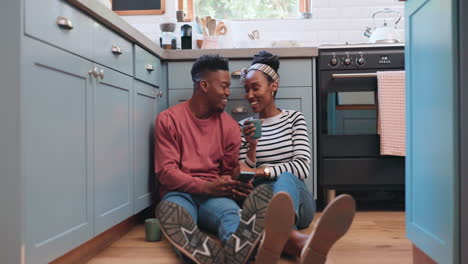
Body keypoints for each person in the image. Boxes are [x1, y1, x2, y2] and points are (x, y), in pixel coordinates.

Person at [154, 54, 275, 264]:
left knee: (232, 216)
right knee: (178, 217)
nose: (229, 92)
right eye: (224, 86)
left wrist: (235, 184)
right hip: (179, 193)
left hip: (215, 195)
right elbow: (166, 172)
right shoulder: (169, 119)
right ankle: (198, 251)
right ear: (204, 85)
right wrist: (206, 186)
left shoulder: (229, 126)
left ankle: (241, 250)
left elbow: (227, 172)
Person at [238, 51, 356, 264]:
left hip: (299, 202)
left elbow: (302, 168)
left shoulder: (294, 119)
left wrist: (263, 171)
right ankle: (298, 242)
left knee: (287, 178)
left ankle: (279, 233)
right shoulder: (243, 127)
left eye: (255, 88)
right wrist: (252, 148)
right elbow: (244, 174)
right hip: (262, 198)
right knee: (263, 191)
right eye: (246, 89)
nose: (249, 95)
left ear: (273, 86)